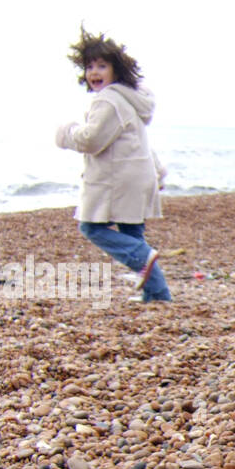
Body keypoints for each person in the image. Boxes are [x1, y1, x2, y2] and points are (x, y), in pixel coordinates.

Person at [56, 27, 171, 302]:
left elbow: (91, 140)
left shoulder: (109, 100)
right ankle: (157, 294)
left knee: (91, 227)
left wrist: (66, 133)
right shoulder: (129, 99)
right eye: (90, 66)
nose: (94, 72)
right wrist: (157, 171)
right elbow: (137, 139)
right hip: (137, 174)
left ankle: (143, 258)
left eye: (102, 66)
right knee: (132, 232)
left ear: (116, 70)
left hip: (118, 179)